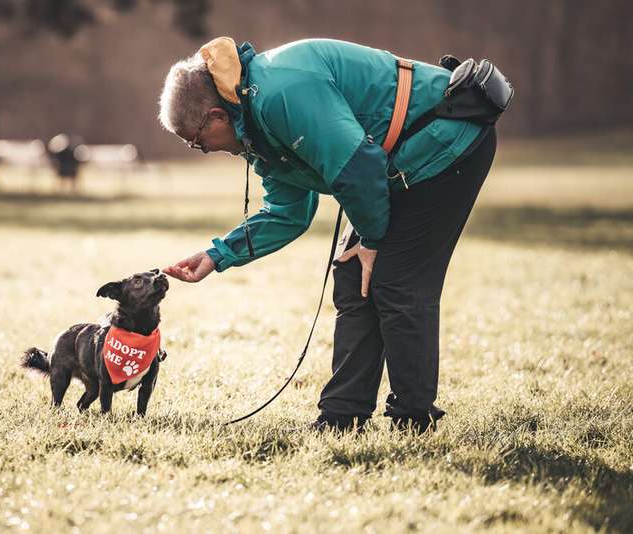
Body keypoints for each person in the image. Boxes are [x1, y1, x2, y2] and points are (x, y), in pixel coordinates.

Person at [158, 37, 497, 432]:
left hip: (449, 141)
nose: (203, 150)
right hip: (394, 167)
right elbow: (288, 213)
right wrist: (218, 256)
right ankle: (341, 417)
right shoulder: (253, 126)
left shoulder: (280, 92)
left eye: (197, 142)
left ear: (216, 116)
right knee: (354, 275)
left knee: (396, 281)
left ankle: (413, 419)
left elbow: (357, 166)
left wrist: (371, 240)